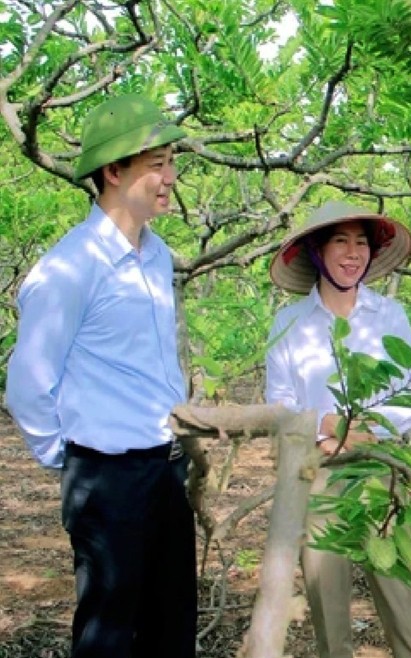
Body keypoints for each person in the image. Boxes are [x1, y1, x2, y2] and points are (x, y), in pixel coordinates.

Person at [5, 94, 196, 658]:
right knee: (109, 631)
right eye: (156, 164)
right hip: (107, 475)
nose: (170, 178)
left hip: (166, 466)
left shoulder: (157, 256)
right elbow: (28, 385)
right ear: (113, 172)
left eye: (172, 162)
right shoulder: (69, 268)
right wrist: (73, 460)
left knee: (171, 622)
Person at [264, 201, 411, 658]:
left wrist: (369, 425)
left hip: (381, 465)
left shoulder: (389, 315)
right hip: (318, 470)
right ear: (318, 251)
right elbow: (278, 403)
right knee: (328, 596)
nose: (353, 252)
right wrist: (323, 425)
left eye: (361, 242)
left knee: (399, 588)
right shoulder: (290, 324)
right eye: (341, 240)